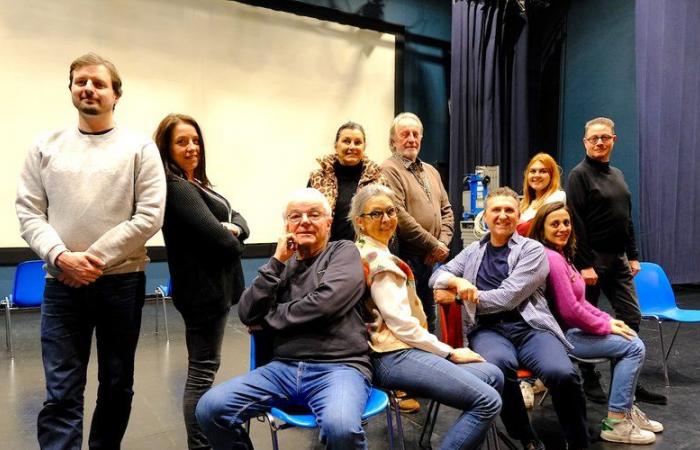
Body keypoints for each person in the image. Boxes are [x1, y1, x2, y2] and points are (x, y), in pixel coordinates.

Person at [15, 53, 166, 449]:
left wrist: (91, 260)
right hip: (61, 283)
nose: (89, 88)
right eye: (80, 81)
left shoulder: (140, 148)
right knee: (61, 390)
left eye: (99, 83)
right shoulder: (44, 146)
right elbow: (29, 211)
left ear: (116, 94)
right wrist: (62, 258)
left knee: (117, 385)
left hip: (122, 284)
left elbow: (149, 216)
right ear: (70, 90)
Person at [196, 188, 372, 450]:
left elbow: (325, 305)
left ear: (328, 222)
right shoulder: (282, 266)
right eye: (295, 216)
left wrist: (270, 317)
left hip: (340, 367)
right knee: (210, 408)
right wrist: (277, 261)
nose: (304, 221)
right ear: (287, 225)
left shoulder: (343, 252)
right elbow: (246, 312)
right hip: (284, 368)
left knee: (341, 429)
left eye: (314, 214)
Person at [430, 187, 589, 450]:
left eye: (509, 210)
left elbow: (508, 297)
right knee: (498, 369)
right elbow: (437, 276)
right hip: (488, 331)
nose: (502, 216)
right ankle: (525, 436)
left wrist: (461, 298)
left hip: (530, 328)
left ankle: (578, 442)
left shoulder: (533, 250)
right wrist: (457, 280)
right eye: (496, 210)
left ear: (518, 216)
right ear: (485, 216)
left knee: (562, 373)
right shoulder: (473, 251)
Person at [350, 184, 503, 449]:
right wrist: (450, 352)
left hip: (392, 352)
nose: (386, 219)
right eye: (376, 214)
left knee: (493, 374)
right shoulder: (381, 263)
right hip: (392, 355)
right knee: (488, 400)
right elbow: (402, 326)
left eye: (391, 211)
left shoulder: (361, 249)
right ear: (360, 222)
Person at [529, 202, 663, 445]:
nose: (562, 228)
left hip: (572, 330)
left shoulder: (563, 256)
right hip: (563, 337)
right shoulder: (551, 258)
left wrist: (610, 321)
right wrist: (607, 327)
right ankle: (617, 421)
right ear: (542, 228)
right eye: (555, 224)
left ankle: (625, 411)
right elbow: (570, 312)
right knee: (633, 346)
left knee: (629, 337)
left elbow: (582, 303)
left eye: (566, 223)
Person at [154, 113, 249, 449]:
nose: (192, 147)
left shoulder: (196, 183)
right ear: (166, 148)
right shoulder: (176, 187)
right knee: (201, 373)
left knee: (204, 368)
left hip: (213, 291)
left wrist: (235, 228)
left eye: (195, 140)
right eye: (182, 142)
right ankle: (200, 445)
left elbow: (237, 219)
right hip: (202, 295)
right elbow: (221, 242)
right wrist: (234, 237)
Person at [567, 117, 666, 405]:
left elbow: (626, 218)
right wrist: (584, 263)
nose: (599, 142)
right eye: (594, 138)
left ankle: (628, 380)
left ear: (614, 140)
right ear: (585, 143)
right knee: (588, 321)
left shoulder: (618, 175)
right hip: (591, 259)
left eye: (604, 138)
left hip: (619, 259)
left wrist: (633, 255)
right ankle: (589, 378)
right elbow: (576, 222)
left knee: (632, 317)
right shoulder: (578, 175)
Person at [381, 112, 454, 334]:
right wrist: (434, 245)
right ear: (393, 141)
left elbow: (447, 211)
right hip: (407, 258)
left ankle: (434, 361)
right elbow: (399, 215)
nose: (411, 139)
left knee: (430, 318)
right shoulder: (388, 169)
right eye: (405, 134)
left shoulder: (431, 171)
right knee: (410, 320)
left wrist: (441, 244)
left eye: (415, 134)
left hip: (433, 260)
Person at [308, 121, 386, 242]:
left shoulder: (378, 181)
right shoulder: (318, 178)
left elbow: (387, 221)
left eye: (358, 142)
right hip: (326, 253)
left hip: (366, 253)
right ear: (336, 145)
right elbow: (307, 217)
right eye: (346, 141)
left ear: (364, 147)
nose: (352, 147)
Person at [516, 152, 566, 236]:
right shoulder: (524, 203)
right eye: (532, 171)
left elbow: (534, 227)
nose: (537, 175)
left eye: (543, 171)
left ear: (552, 176)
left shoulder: (558, 196)